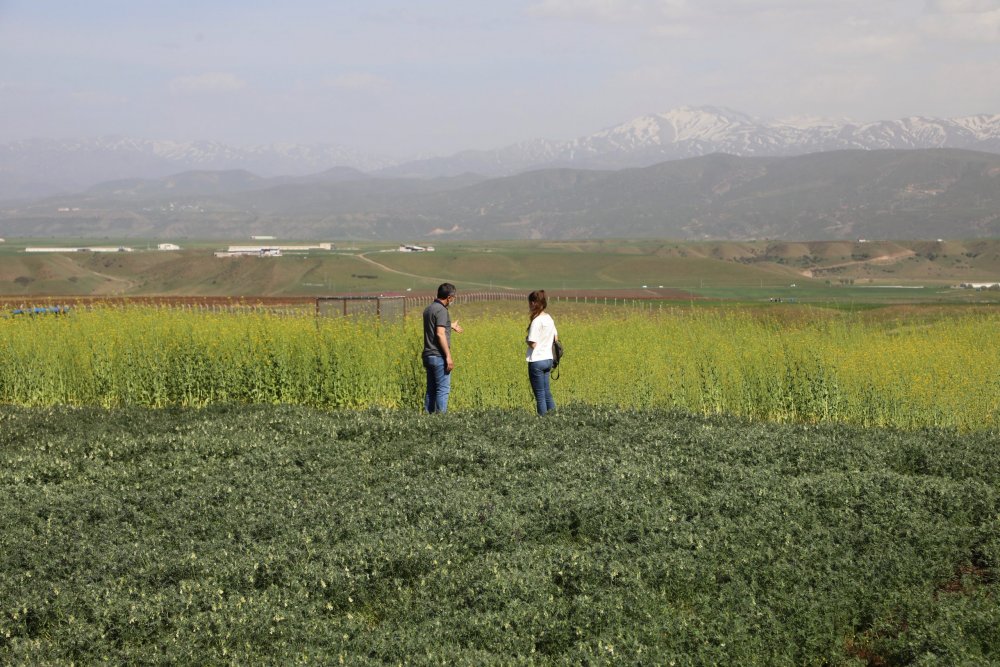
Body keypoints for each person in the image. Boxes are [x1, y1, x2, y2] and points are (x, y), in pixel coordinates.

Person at [422, 283, 463, 413]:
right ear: (449, 297)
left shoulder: (429, 309)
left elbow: (434, 327)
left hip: (428, 355)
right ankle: (441, 422)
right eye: (453, 298)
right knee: (443, 389)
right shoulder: (442, 311)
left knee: (431, 389)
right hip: (438, 355)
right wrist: (448, 356)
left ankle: (428, 420)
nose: (453, 300)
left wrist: (450, 325)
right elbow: (439, 333)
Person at [525, 289, 558, 415]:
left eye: (530, 303)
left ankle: (543, 424)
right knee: (547, 393)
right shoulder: (549, 318)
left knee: (540, 395)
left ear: (534, 303)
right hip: (548, 360)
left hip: (537, 361)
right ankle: (554, 418)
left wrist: (526, 340)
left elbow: (533, 344)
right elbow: (556, 338)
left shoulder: (536, 321)